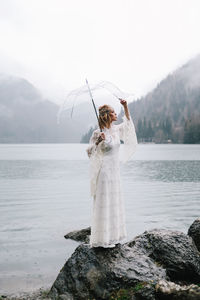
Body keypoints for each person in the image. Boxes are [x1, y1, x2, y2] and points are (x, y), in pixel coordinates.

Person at [86, 99, 138, 248]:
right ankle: (101, 239)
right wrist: (98, 142)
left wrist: (125, 106)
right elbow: (89, 153)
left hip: (115, 173)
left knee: (114, 202)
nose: (116, 114)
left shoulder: (116, 130)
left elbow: (128, 124)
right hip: (103, 173)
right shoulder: (98, 133)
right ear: (107, 115)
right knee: (104, 202)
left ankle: (113, 237)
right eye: (114, 112)